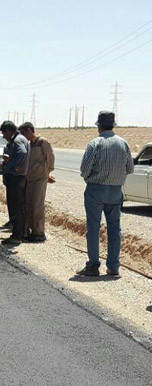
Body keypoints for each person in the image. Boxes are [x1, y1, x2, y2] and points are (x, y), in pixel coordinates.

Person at [76, 111, 134, 277]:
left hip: (96, 189)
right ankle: (113, 266)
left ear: (99, 126)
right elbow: (130, 168)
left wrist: (91, 179)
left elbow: (84, 169)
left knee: (93, 228)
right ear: (113, 125)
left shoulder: (95, 143)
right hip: (116, 191)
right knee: (115, 229)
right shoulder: (124, 143)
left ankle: (93, 266)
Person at [18, 122, 55, 242]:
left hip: (40, 179)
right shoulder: (29, 144)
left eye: (24, 133)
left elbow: (50, 159)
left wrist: (46, 173)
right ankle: (31, 231)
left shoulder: (42, 142)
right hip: (30, 179)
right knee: (29, 205)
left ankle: (39, 232)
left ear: (29, 130)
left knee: (37, 206)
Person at [0, 121, 29, 245]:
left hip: (16, 178)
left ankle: (17, 236)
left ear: (9, 131)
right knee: (19, 207)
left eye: (4, 133)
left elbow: (22, 153)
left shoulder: (18, 140)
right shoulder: (20, 139)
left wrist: (12, 164)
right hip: (18, 178)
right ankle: (21, 233)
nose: (3, 136)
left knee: (15, 207)